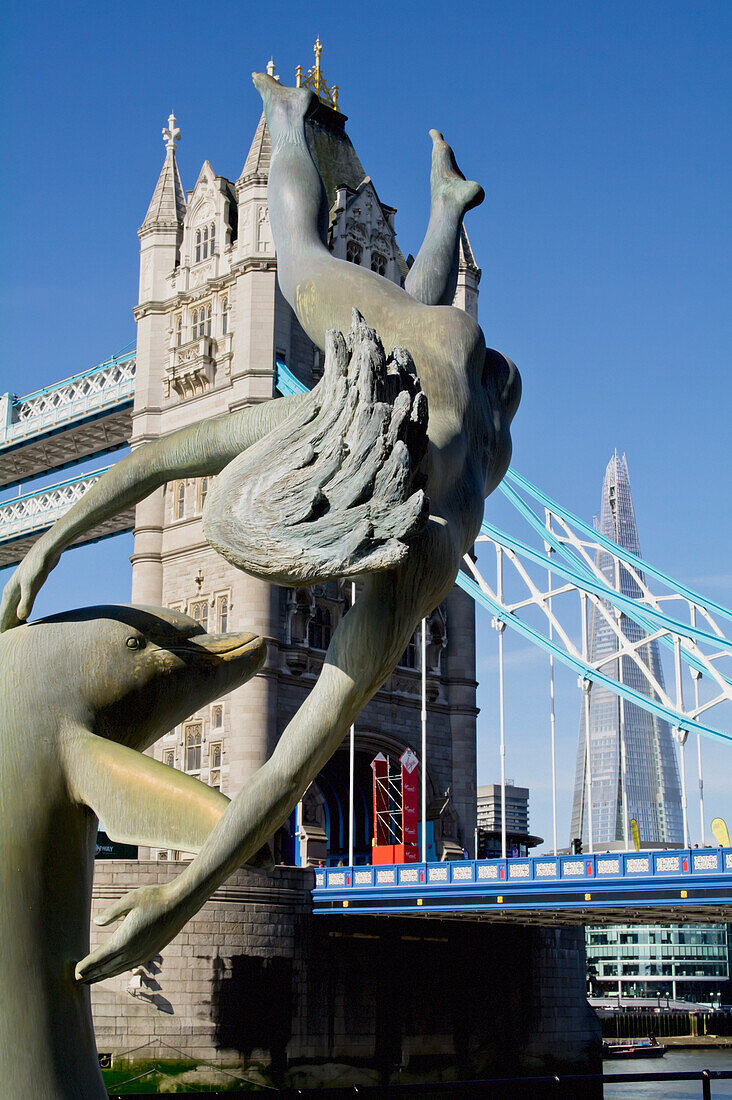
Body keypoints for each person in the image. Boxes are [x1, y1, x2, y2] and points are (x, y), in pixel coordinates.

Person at [1, 73, 520, 982]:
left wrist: (178, 897)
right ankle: (431, 199)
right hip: (450, 377)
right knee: (339, 272)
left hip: (455, 388)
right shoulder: (355, 444)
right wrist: (48, 543)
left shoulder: (353, 471)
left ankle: (384, 176)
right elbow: (154, 464)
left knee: (304, 256)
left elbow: (286, 762)